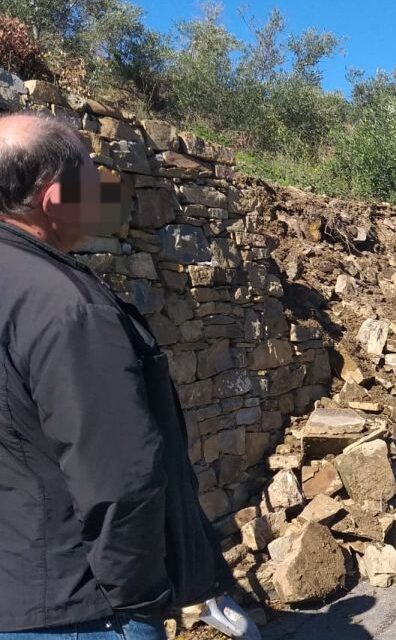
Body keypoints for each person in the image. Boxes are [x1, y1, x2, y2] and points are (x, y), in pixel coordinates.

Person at [0, 113, 236, 638]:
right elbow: (118, 475)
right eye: (92, 176)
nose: (105, 192)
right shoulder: (66, 307)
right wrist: (138, 601)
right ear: (56, 198)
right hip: (79, 610)